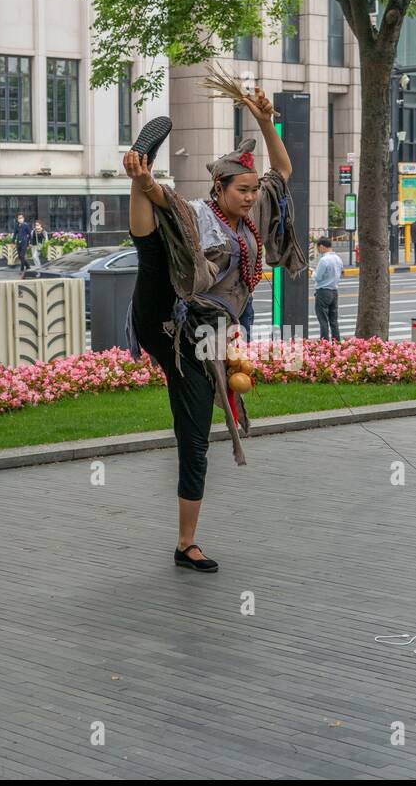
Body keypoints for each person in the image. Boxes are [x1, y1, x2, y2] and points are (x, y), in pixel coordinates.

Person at [122, 86, 306, 574]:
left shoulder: (252, 217)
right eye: (242, 191)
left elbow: (282, 173)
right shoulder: (199, 215)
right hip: (170, 319)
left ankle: (186, 541)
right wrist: (148, 184)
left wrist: (266, 121)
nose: (250, 197)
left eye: (252, 191)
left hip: (212, 329)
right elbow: (171, 201)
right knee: (155, 247)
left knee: (196, 430)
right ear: (219, 189)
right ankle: (187, 545)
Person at [313, 237, 343, 340]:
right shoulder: (338, 259)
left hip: (323, 292)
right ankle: (337, 343)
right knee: (334, 321)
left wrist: (312, 273)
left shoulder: (324, 260)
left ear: (321, 246)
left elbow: (317, 277)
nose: (318, 251)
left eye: (318, 248)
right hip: (334, 292)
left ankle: (324, 344)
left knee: (323, 320)